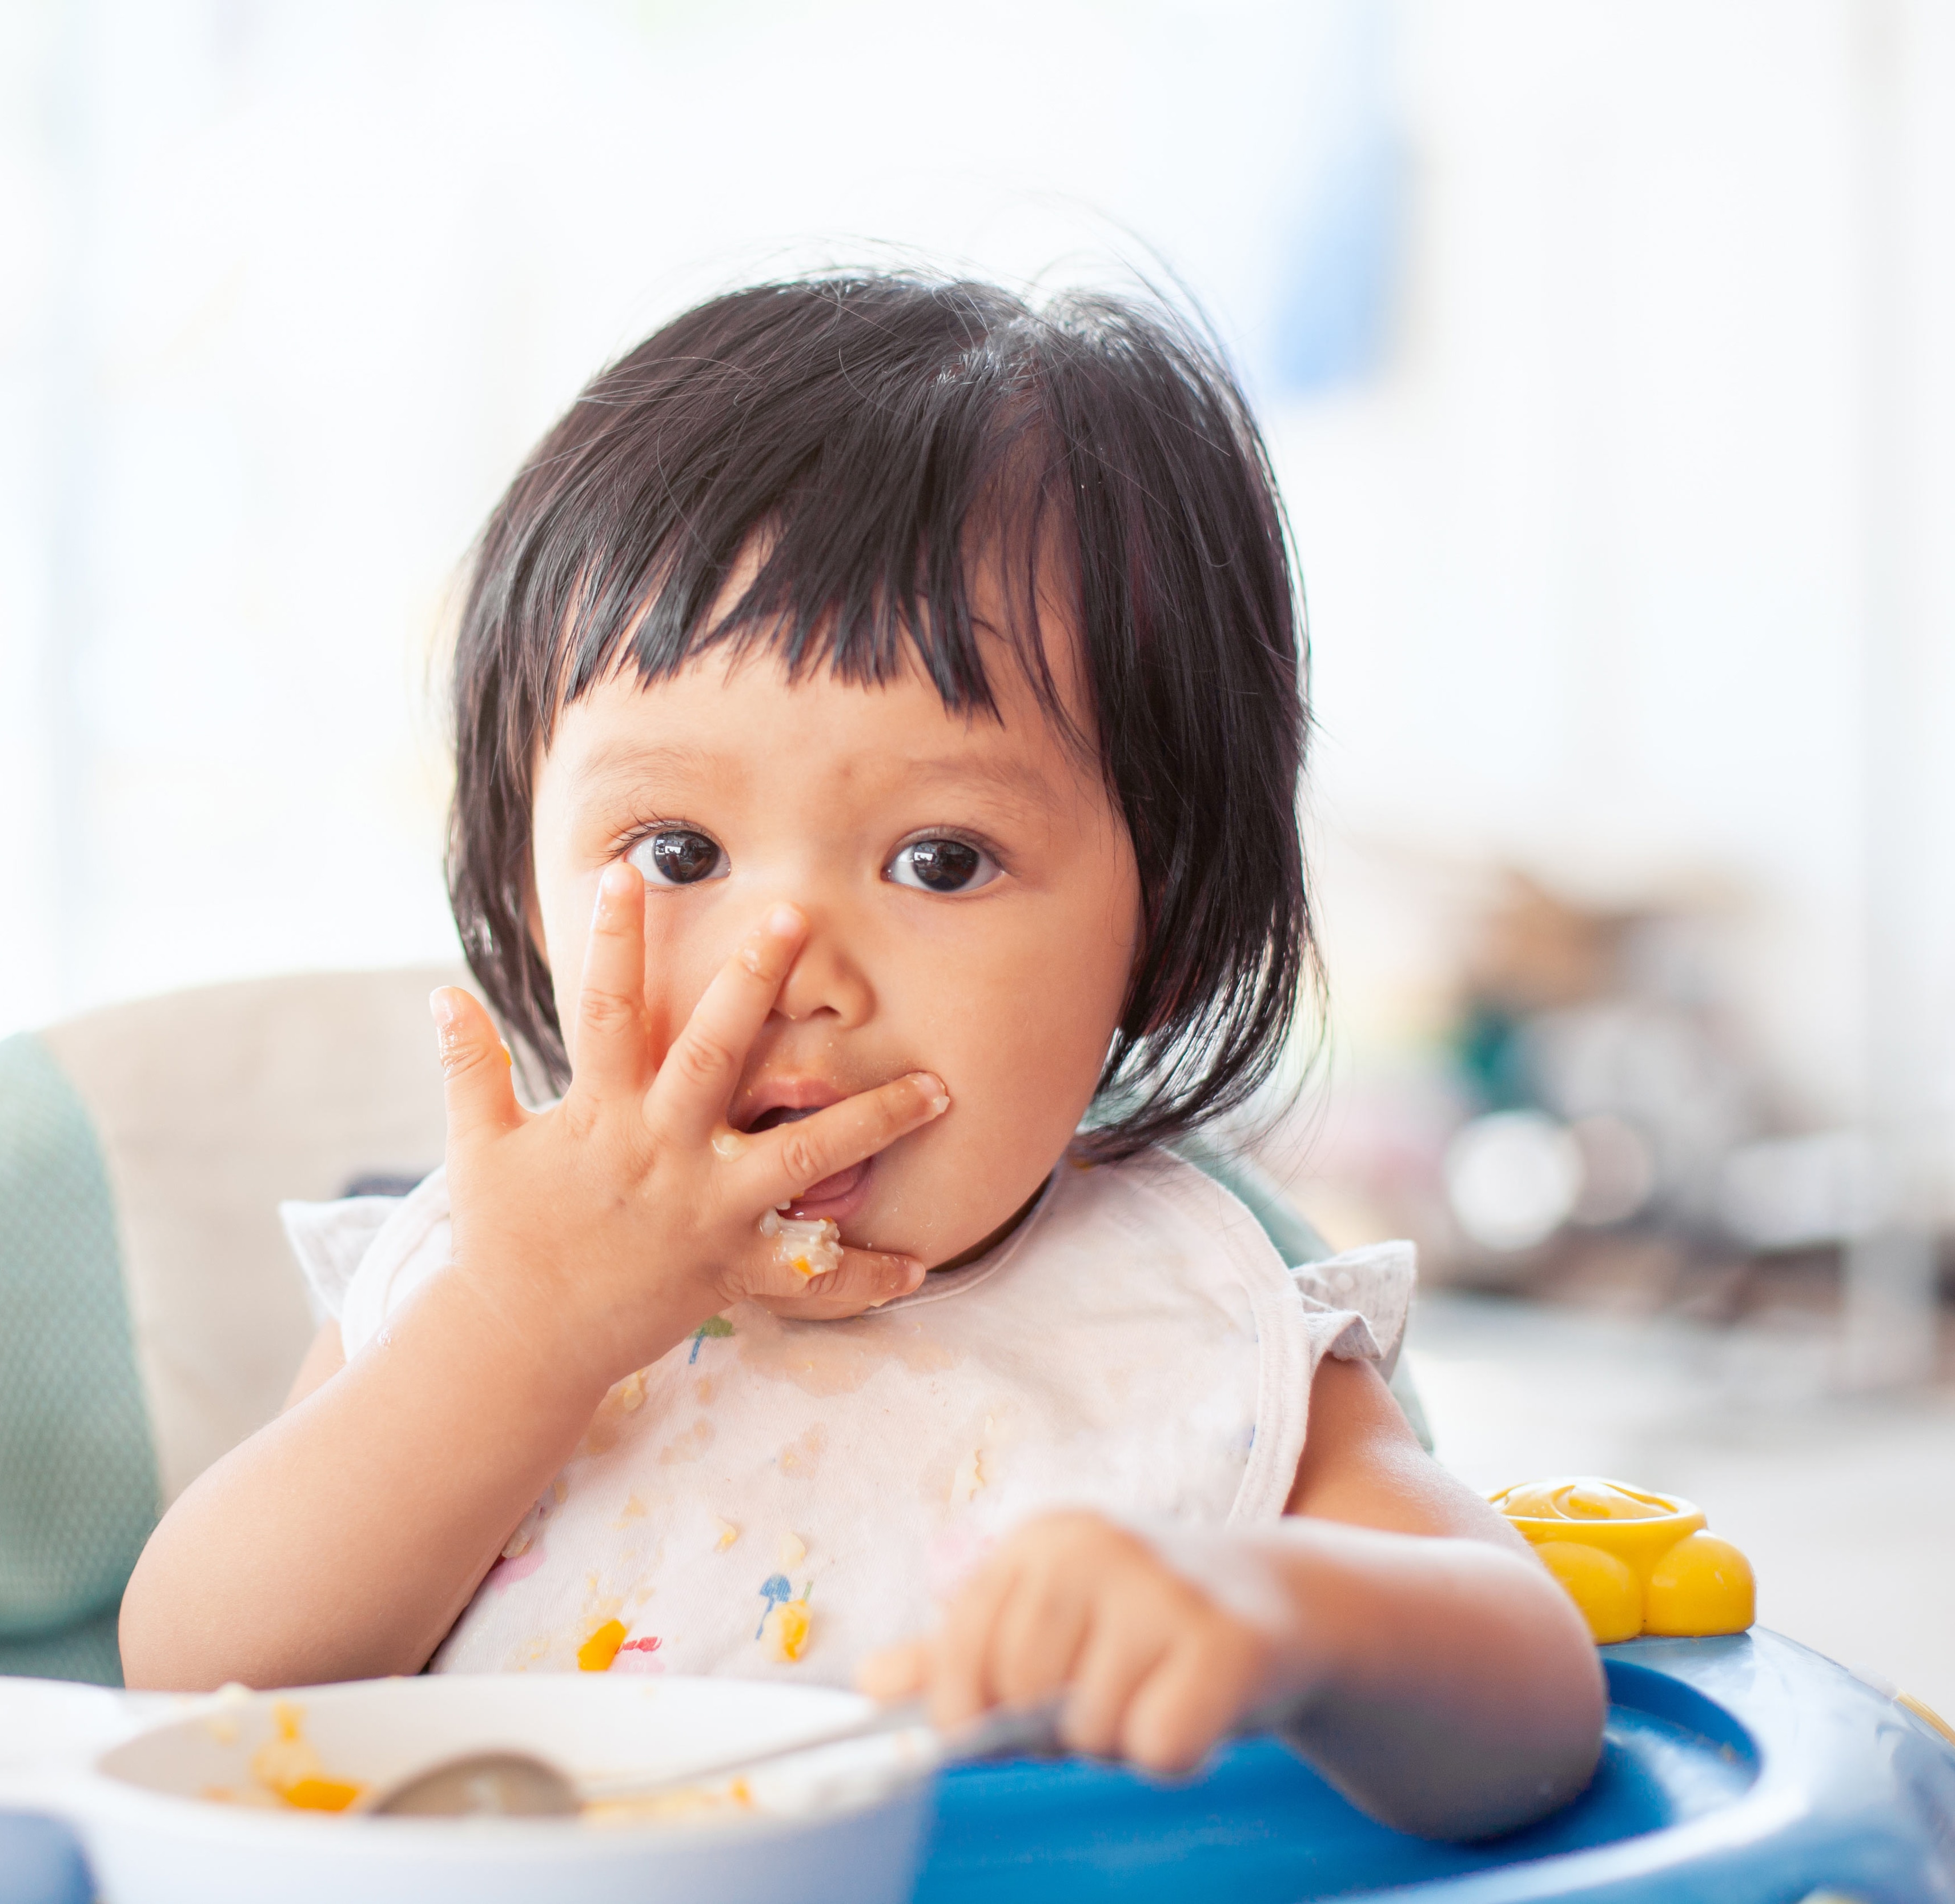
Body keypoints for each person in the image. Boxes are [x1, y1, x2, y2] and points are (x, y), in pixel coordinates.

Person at [118, 273, 1603, 1839]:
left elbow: (1537, 1710)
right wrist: (515, 1331)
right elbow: (198, 1678)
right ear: (522, 860)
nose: (789, 972)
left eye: (942, 860)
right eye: (679, 849)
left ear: (1160, 931)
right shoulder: (478, 1284)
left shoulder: (1192, 1338)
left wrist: (1286, 1609)